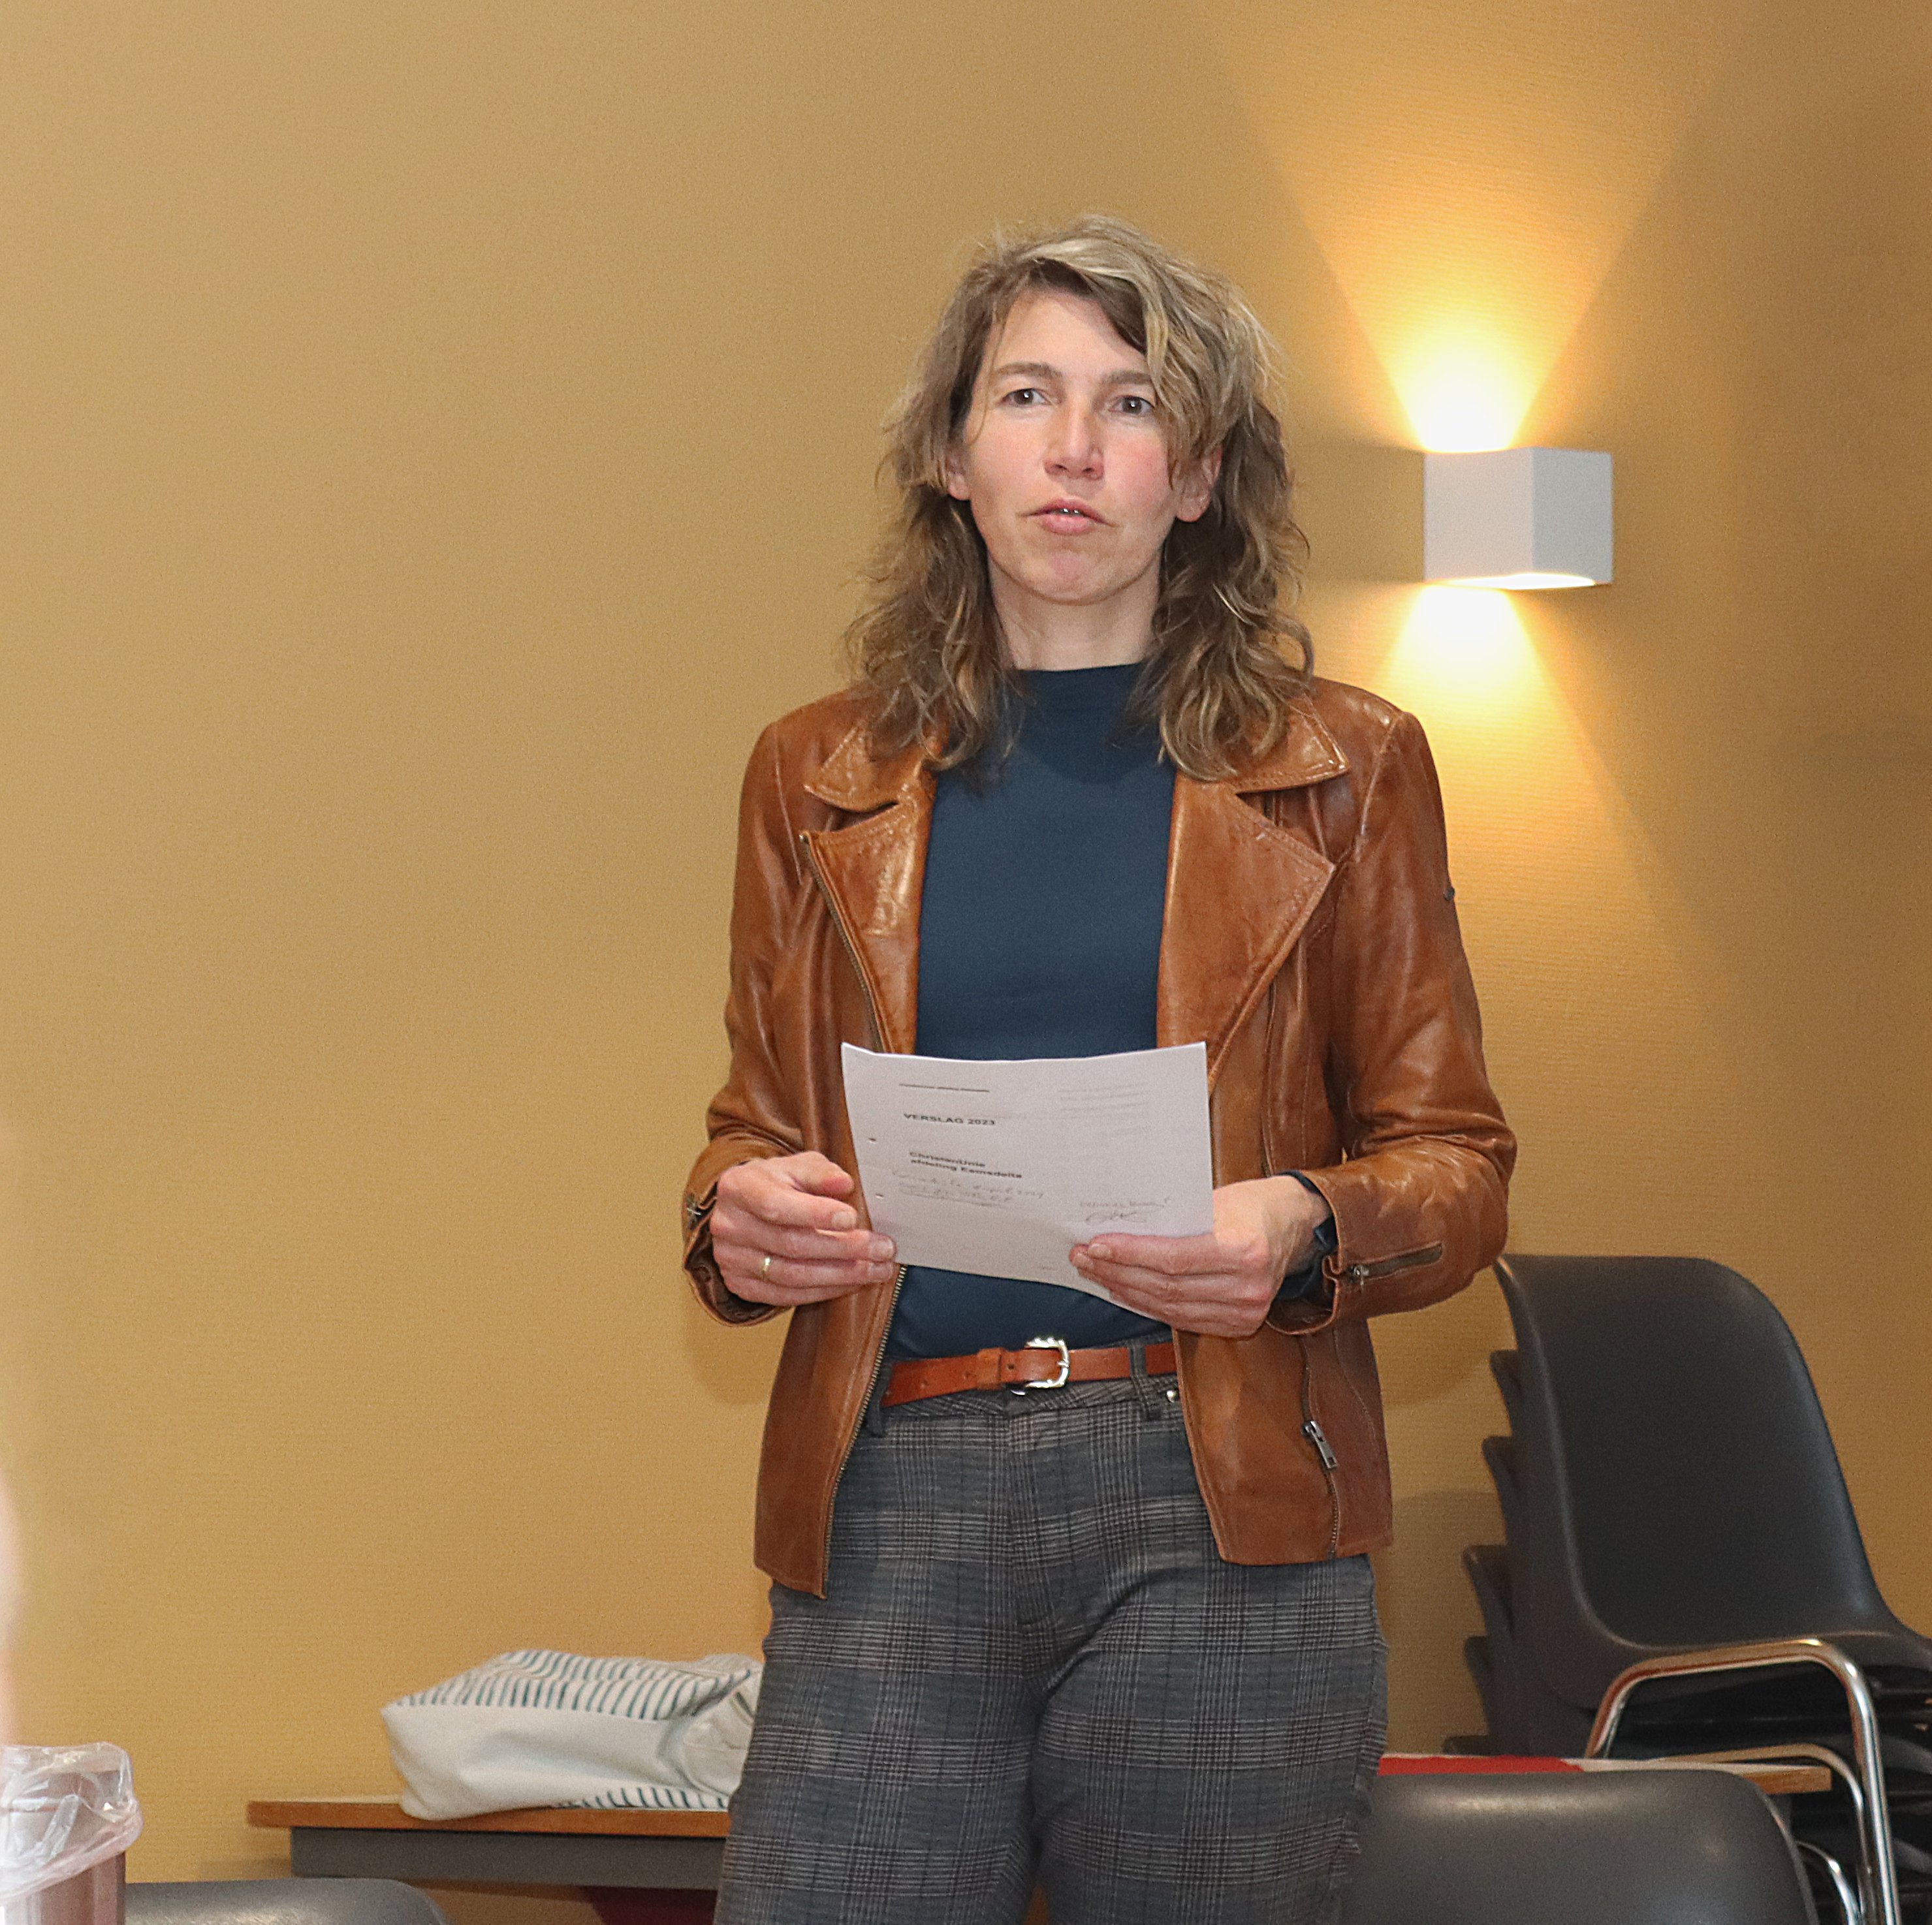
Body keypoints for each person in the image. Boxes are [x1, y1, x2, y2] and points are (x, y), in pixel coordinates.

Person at [680, 215, 1514, 1925]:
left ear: (1196, 477)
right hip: (890, 1489)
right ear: (951, 456)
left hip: (1219, 1497)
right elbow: (751, 1129)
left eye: (1132, 405)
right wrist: (738, 1217)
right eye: (1026, 396)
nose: (1074, 447)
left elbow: (1454, 1160)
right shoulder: (812, 774)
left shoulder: (1346, 768)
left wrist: (1302, 1223)